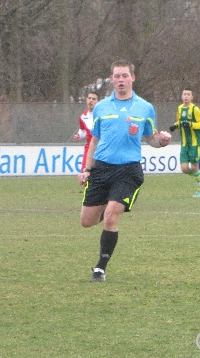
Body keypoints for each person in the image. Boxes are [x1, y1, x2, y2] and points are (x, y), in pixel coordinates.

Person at [77, 60, 172, 283]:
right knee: (87, 221)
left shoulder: (145, 107)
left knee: (110, 216)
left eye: (124, 76)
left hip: (128, 171)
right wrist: (87, 169)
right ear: (112, 79)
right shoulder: (101, 107)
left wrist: (162, 141)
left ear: (132, 78)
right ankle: (110, 206)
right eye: (117, 76)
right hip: (101, 169)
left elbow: (151, 139)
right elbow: (94, 141)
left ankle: (100, 268)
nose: (121, 80)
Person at [169, 88, 200, 197]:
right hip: (184, 143)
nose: (186, 96)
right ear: (181, 96)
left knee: (194, 167)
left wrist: (192, 125)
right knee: (184, 169)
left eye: (188, 94)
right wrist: (175, 126)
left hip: (194, 143)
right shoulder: (180, 108)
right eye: (184, 94)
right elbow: (180, 122)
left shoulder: (195, 109)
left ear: (192, 97)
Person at [73, 91, 100, 173]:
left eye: (93, 99)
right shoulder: (82, 117)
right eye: (89, 98)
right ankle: (87, 185)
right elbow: (83, 131)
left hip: (101, 146)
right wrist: (79, 135)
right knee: (85, 171)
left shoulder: (101, 114)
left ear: (98, 101)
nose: (90, 100)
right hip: (89, 147)